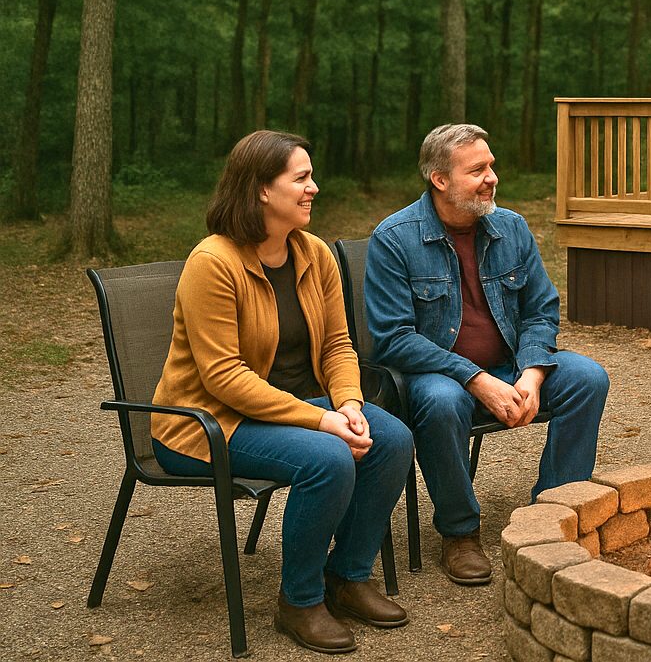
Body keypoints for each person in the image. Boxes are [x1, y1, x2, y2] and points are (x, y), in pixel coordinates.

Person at [151, 131, 414, 655]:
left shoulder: (313, 254)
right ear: (261, 191)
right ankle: (299, 601)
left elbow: (340, 344)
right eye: (301, 178)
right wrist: (322, 423)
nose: (314, 187)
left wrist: (349, 405)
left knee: (393, 439)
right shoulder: (213, 263)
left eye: (311, 176)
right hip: (206, 422)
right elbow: (223, 376)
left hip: (292, 411)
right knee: (329, 460)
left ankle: (347, 576)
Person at [365, 123, 609, 586]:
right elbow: (393, 338)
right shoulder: (394, 239)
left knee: (588, 378)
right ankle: (460, 532)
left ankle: (554, 512)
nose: (492, 177)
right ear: (440, 180)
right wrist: (475, 377)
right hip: (437, 376)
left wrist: (532, 373)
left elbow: (541, 311)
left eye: (491, 166)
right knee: (441, 402)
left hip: (509, 366)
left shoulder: (511, 228)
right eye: (477, 170)